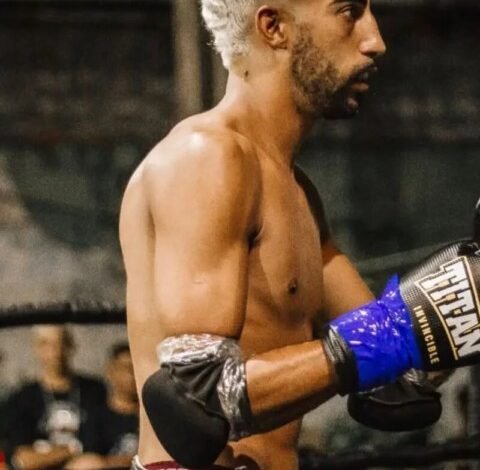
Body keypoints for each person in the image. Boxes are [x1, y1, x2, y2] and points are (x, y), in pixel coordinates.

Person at [119, 1, 480, 469]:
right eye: (348, 12)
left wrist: (466, 297)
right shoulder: (205, 157)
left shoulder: (298, 193)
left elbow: (394, 381)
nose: (375, 41)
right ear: (274, 28)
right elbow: (196, 401)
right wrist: (395, 330)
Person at [8, 325, 107, 470]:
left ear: (71, 346)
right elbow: (24, 460)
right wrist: (73, 450)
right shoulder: (22, 398)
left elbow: (103, 447)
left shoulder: (95, 391)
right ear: (36, 349)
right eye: (46, 344)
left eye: (61, 343)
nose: (56, 351)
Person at [70, 342, 139, 469]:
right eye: (125, 367)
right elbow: (88, 462)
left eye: (135, 368)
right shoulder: (95, 418)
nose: (131, 374)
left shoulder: (154, 418)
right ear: (110, 371)